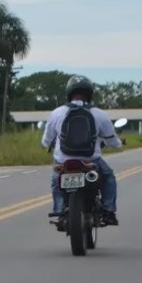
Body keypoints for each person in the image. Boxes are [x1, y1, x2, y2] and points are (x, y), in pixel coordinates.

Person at [40, 75, 122, 226]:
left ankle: (59, 210)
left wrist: (45, 145)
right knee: (109, 177)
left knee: (56, 179)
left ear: (69, 92)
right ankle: (109, 211)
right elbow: (112, 140)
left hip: (63, 161)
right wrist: (118, 144)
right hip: (90, 161)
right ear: (89, 93)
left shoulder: (57, 113)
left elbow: (47, 139)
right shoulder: (99, 114)